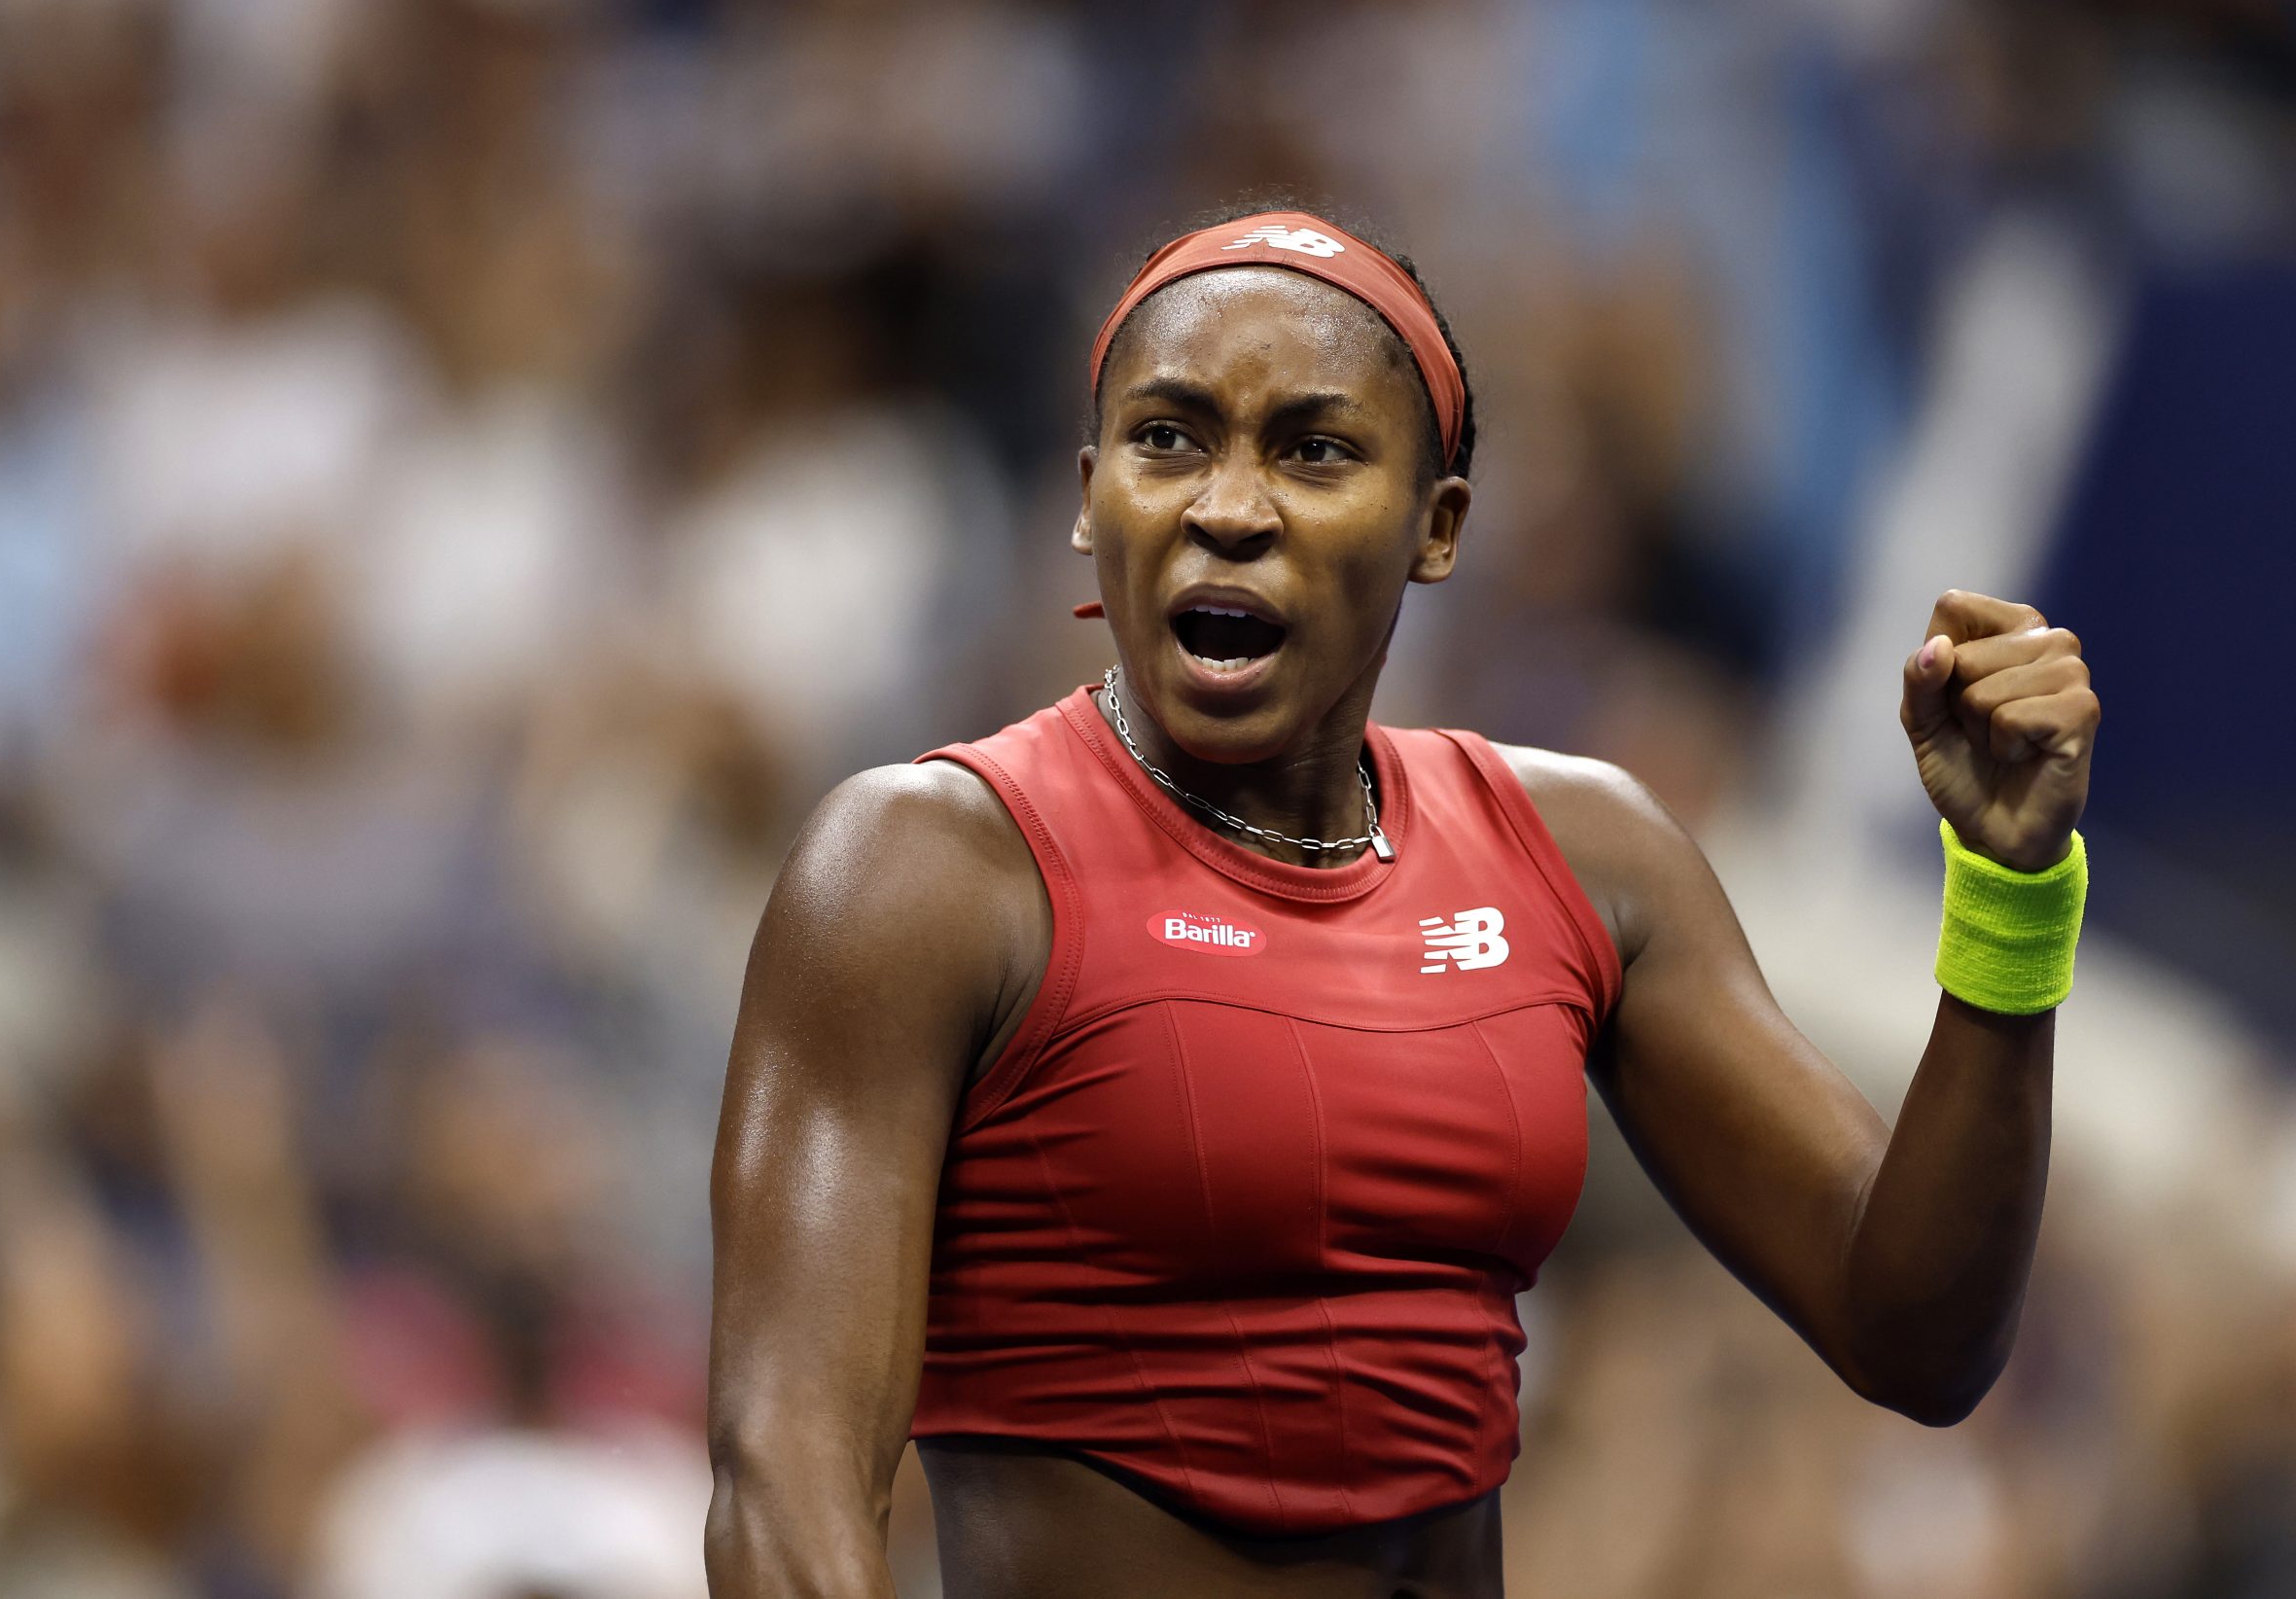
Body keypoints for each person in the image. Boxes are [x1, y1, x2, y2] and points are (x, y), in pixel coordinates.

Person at [704, 209, 2099, 1599]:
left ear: (1438, 529)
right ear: (1086, 495)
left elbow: (1918, 1335)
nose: (1227, 507)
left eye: (1313, 450)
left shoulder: (1586, 852)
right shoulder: (925, 867)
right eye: (1168, 437)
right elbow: (788, 1476)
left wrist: (2013, 893)